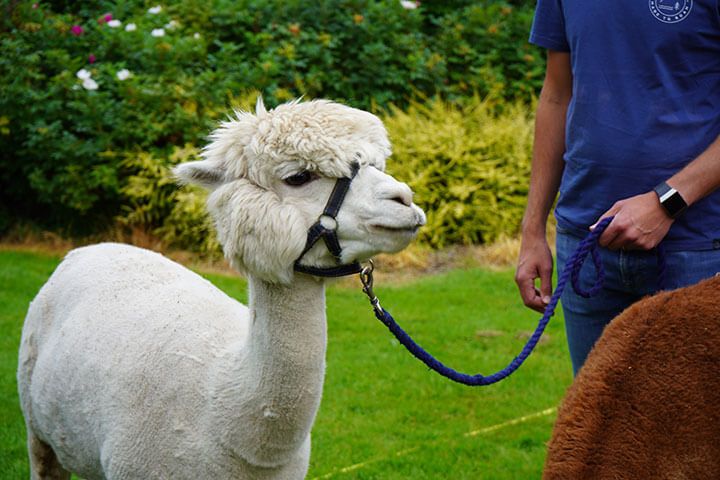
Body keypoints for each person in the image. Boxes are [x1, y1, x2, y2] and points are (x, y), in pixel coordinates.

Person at [515, 0, 720, 375]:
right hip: (586, 245)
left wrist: (666, 203)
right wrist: (532, 231)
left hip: (696, 250)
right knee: (600, 425)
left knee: (693, 429)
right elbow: (557, 94)